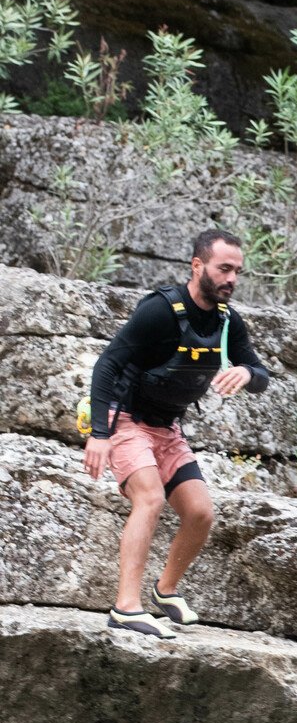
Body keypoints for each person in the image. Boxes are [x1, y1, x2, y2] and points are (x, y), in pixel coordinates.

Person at [84, 230, 271, 640]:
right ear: (198, 266)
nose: (232, 279)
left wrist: (248, 372)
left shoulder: (227, 322)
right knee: (149, 497)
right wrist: (100, 433)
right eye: (224, 268)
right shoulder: (160, 310)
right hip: (126, 420)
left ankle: (164, 591)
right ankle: (125, 608)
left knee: (201, 513)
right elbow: (107, 366)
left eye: (238, 271)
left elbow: (262, 376)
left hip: (167, 429)